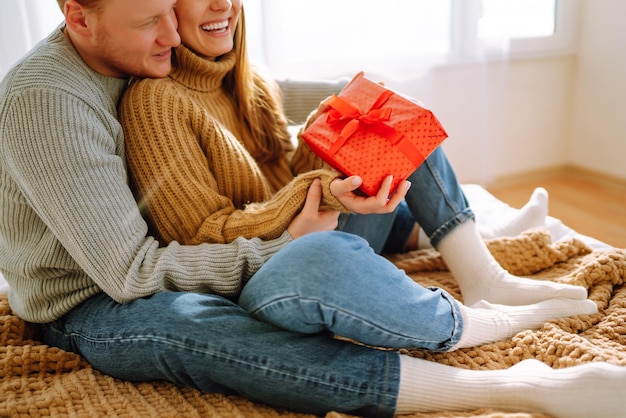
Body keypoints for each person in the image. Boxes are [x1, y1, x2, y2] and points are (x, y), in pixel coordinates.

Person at [0, 1, 623, 417]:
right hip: (97, 300)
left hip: (224, 247)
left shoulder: (146, 52)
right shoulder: (48, 101)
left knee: (378, 121)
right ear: (78, 17)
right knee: (217, 320)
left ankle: (476, 266)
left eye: (171, 10)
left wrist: (349, 102)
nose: (169, 32)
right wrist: (289, 238)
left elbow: (242, 91)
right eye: (150, 22)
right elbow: (132, 275)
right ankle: (519, 383)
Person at [119, 0, 582, 309]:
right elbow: (201, 236)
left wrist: (320, 135)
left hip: (298, 234)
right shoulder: (155, 103)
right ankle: (481, 275)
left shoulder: (245, 77)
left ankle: (476, 250)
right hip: (265, 274)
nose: (222, 4)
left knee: (379, 119)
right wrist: (311, 190)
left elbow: (282, 175)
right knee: (386, 134)